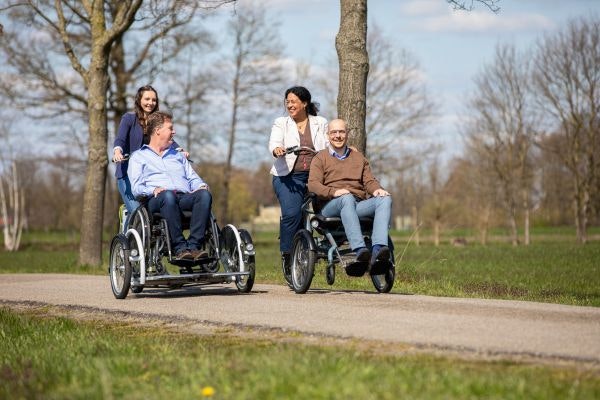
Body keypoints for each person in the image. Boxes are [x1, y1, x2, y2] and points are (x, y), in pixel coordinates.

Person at [307, 119, 392, 272]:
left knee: (384, 199)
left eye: (341, 132)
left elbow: (369, 181)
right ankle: (359, 250)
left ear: (347, 134)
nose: (338, 136)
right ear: (328, 135)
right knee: (346, 197)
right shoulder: (320, 158)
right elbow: (313, 184)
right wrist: (334, 192)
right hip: (329, 206)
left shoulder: (359, 158)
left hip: (356, 204)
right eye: (334, 132)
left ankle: (379, 248)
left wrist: (377, 190)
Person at [128, 111, 212, 262]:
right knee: (167, 195)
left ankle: (194, 247)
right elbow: (136, 188)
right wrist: (153, 190)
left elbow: (193, 178)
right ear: (157, 130)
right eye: (170, 128)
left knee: (204, 195)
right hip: (156, 199)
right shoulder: (139, 157)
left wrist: (200, 186)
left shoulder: (178, 155)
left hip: (183, 198)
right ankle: (179, 248)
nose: (174, 132)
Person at [268, 86, 328, 277]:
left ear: (304, 103)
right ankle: (287, 254)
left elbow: (329, 146)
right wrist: (277, 149)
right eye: (287, 102)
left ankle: (326, 251)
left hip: (315, 177)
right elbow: (274, 142)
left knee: (327, 213)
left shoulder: (320, 122)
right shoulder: (281, 123)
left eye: (293, 101)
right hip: (288, 177)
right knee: (292, 214)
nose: (289, 105)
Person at [112, 85, 184, 213]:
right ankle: (128, 225)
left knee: (154, 213)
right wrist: (118, 151)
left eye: (154, 100)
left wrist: (179, 150)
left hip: (149, 174)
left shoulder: (158, 122)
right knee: (137, 212)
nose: (150, 103)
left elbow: (166, 137)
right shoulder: (129, 119)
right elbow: (120, 140)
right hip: (128, 174)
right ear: (139, 100)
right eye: (147, 99)